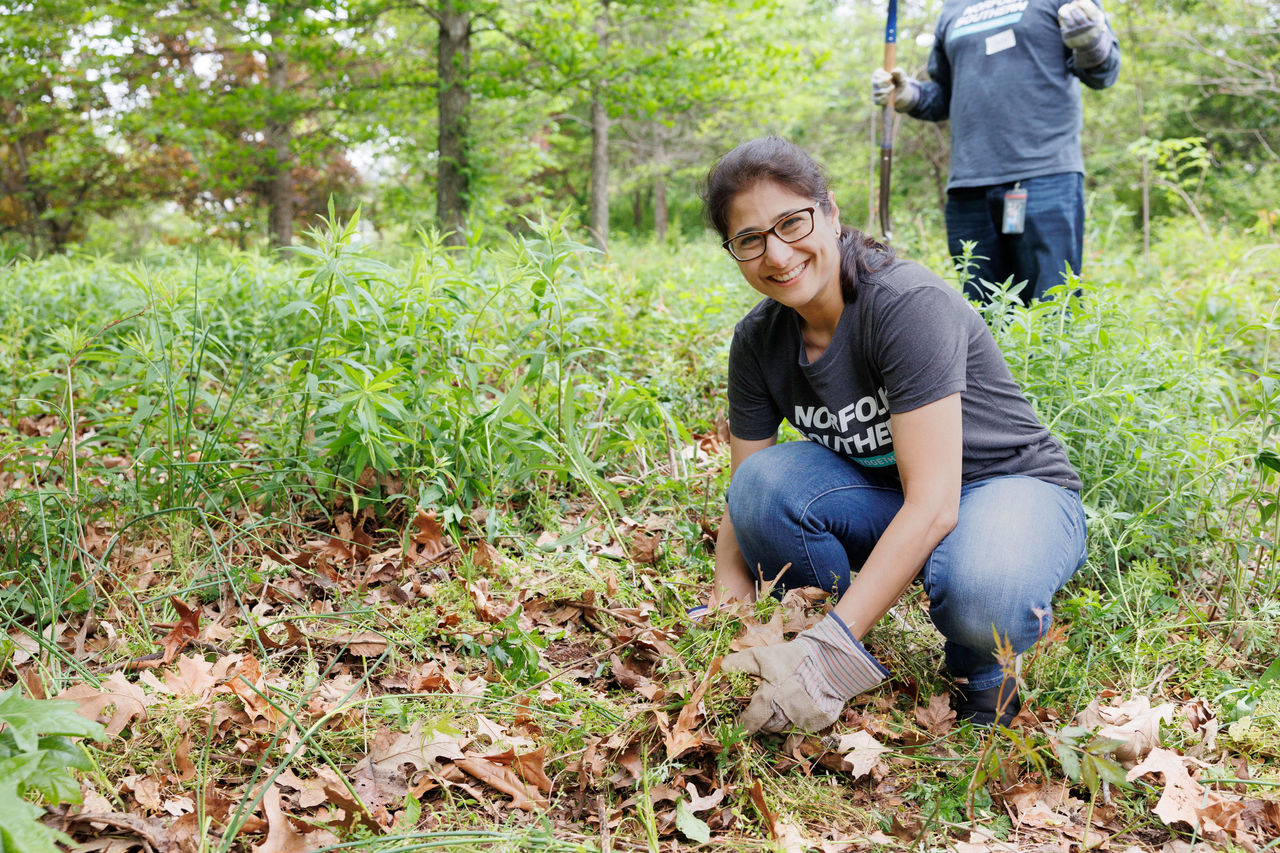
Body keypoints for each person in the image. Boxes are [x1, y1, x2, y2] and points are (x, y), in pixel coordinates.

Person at [701, 137, 1087, 733]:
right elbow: (743, 487)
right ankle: (817, 632)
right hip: (891, 495)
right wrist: (729, 606)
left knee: (982, 589)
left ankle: (977, 671)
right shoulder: (758, 339)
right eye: (750, 239)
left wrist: (829, 657)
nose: (777, 255)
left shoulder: (904, 305)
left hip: (1007, 488)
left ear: (830, 212)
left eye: (791, 223)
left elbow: (934, 501)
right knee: (764, 487)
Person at [871, 0, 1121, 305]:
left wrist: (1092, 43)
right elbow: (944, 96)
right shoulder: (953, 10)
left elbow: (1103, 73)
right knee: (982, 313)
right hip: (969, 187)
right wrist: (908, 94)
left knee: (1053, 307)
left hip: (1045, 177)